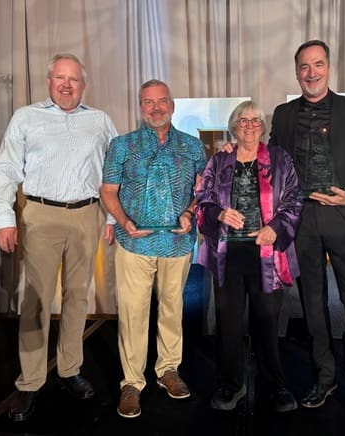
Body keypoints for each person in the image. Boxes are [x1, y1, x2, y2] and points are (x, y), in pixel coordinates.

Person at [269, 40, 345, 428]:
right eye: (304, 66)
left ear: (328, 68)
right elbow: (271, 164)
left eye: (318, 64)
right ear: (296, 72)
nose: (312, 73)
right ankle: (324, 380)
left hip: (343, 218)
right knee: (313, 306)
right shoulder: (283, 114)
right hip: (301, 221)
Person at [0, 53, 118, 422]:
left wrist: (112, 217)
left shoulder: (100, 121)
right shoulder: (26, 117)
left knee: (78, 296)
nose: (66, 85)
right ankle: (30, 382)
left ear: (83, 85)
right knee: (35, 300)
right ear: (49, 81)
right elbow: (6, 168)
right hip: (40, 214)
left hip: (87, 214)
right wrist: (4, 218)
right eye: (60, 78)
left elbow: (114, 171)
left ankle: (69, 369)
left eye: (73, 79)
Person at [100, 79, 207, 418]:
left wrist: (190, 212)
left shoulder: (192, 146)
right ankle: (132, 382)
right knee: (133, 312)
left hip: (177, 242)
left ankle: (168, 369)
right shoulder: (122, 145)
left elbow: (203, 190)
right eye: (149, 102)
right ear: (140, 106)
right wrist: (124, 222)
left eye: (162, 101)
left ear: (172, 106)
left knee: (172, 308)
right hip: (135, 243)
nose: (156, 108)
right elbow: (108, 191)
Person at [195, 100, 303, 412]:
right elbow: (202, 200)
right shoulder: (220, 160)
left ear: (263, 127)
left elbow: (294, 200)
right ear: (234, 126)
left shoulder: (280, 159)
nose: (250, 125)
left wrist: (276, 228)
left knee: (267, 322)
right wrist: (218, 214)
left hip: (266, 253)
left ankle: (274, 385)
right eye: (243, 120)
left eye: (256, 120)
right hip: (228, 254)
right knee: (228, 323)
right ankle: (230, 384)